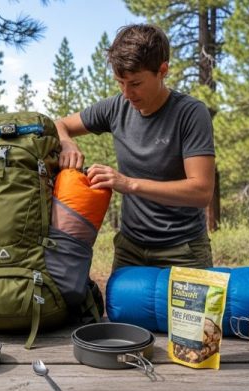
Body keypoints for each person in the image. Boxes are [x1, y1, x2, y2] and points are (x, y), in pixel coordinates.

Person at [54, 23, 216, 271]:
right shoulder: (115, 107)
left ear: (163, 71)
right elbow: (58, 124)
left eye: (136, 83)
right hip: (130, 250)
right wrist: (66, 143)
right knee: (123, 312)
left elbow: (201, 191)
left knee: (191, 313)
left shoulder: (191, 113)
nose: (127, 93)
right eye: (120, 82)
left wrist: (128, 184)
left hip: (183, 250)